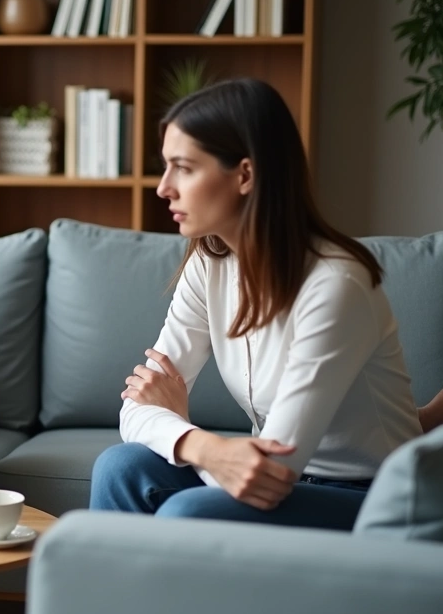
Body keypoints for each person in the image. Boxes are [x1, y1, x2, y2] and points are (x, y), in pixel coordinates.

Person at [89, 78, 423, 531]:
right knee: (120, 467)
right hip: (279, 478)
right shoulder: (210, 262)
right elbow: (136, 407)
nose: (163, 188)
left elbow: (274, 472)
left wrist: (192, 437)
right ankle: (111, 605)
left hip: (370, 496)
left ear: (245, 175)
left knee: (186, 512)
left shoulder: (336, 284)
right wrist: (207, 449)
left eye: (183, 168)